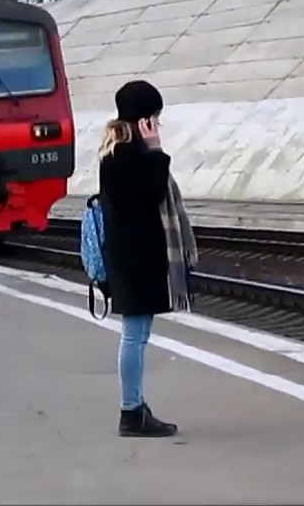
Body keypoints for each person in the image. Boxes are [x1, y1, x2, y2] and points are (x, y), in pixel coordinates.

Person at [97, 80, 197, 438]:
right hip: (134, 260)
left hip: (133, 258)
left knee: (136, 335)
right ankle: (131, 412)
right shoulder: (124, 157)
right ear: (144, 120)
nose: (157, 124)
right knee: (135, 336)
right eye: (154, 117)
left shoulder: (118, 154)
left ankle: (135, 405)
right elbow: (147, 196)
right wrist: (156, 151)